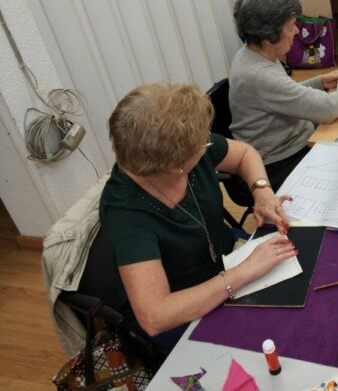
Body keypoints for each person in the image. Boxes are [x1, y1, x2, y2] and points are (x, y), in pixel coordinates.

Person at [100, 83, 297, 349]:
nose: (208, 143)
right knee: (277, 342)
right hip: (187, 305)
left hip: (227, 256)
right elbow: (155, 317)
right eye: (203, 143)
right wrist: (244, 272)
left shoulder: (181, 152)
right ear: (175, 166)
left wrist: (262, 191)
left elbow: (245, 154)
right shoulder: (126, 212)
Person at [229, 0, 338, 189]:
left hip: (289, 143)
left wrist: (318, 83)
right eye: (291, 26)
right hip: (277, 163)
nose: (296, 31)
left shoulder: (253, 52)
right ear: (268, 37)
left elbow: (280, 94)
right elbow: (328, 109)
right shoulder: (258, 73)